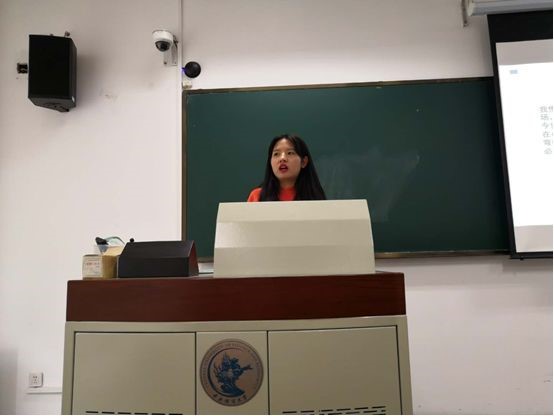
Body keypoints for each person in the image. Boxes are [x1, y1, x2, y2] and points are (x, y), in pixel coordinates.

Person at [247, 134, 326, 202]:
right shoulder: (257, 196)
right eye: (276, 154)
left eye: (290, 153)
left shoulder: (315, 197)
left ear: (303, 162)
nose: (282, 158)